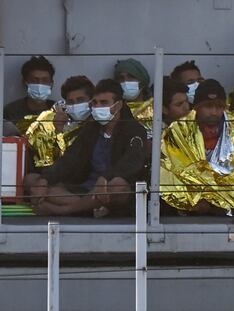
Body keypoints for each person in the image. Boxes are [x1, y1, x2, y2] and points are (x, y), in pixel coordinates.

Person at [25, 79, 147, 216]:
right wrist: (44, 180)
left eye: (104, 103)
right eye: (95, 103)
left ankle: (63, 210)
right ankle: (90, 208)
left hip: (112, 188)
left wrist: (106, 178)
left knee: (118, 186)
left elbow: (132, 161)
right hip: (86, 188)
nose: (98, 107)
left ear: (118, 105)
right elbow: (70, 159)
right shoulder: (91, 129)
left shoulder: (134, 130)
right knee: (32, 181)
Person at [161, 79, 234, 215]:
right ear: (197, 108)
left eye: (219, 107)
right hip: (193, 198)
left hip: (226, 194)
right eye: (208, 107)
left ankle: (218, 205)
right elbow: (180, 169)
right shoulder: (178, 130)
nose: (214, 112)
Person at [25, 76, 94, 169]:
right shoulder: (53, 119)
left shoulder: (99, 122)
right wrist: (58, 131)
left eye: (80, 100)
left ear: (91, 101)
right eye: (70, 101)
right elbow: (45, 162)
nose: (75, 105)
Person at [4, 56, 55, 131]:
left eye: (45, 80)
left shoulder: (57, 110)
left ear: (51, 84)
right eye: (35, 80)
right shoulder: (12, 111)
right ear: (25, 82)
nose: (40, 84)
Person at [114, 58, 153, 136]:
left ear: (141, 81)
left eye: (131, 77)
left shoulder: (156, 108)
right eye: (121, 78)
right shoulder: (114, 110)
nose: (126, 82)